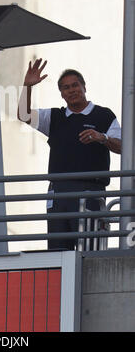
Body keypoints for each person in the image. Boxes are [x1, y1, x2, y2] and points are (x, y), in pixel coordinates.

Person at [17, 58, 122, 250]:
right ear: (62, 94)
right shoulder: (54, 117)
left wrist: (102, 137)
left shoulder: (104, 115)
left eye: (75, 85)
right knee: (57, 252)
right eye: (66, 88)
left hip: (90, 190)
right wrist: (27, 86)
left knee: (90, 250)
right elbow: (23, 115)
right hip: (58, 192)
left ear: (84, 87)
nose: (72, 90)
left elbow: (122, 147)